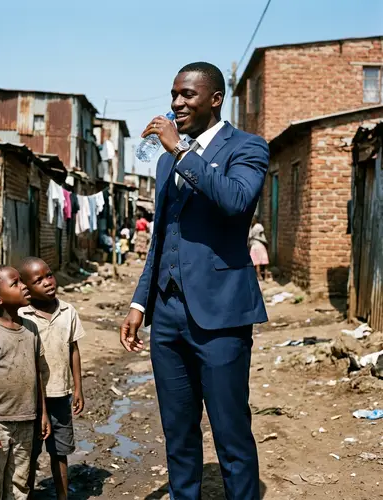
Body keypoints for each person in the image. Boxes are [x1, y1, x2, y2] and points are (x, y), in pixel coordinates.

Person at [120, 62, 269, 500]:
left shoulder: (247, 146)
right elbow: (162, 238)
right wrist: (139, 303)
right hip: (167, 317)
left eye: (187, 95)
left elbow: (236, 201)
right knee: (178, 433)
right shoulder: (167, 163)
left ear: (215, 99)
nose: (176, 103)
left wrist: (184, 154)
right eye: (174, 94)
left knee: (230, 432)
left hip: (221, 314)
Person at [0, 265, 51, 500]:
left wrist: (43, 413)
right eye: (15, 283)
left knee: (19, 484)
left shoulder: (31, 329)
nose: (24, 286)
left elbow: (37, 374)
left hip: (26, 420)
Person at [19, 257, 85, 500]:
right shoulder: (22, 314)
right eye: (38, 280)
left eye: (48, 275)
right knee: (29, 451)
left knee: (60, 450)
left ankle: (62, 495)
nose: (47, 282)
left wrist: (78, 388)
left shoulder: (68, 311)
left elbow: (74, 350)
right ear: (25, 287)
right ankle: (26, 494)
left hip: (60, 393)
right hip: (31, 398)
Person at [248, 216, 270, 281]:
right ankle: (266, 277)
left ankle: (259, 276)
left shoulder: (251, 228)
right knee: (265, 263)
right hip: (260, 245)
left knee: (257, 263)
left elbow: (249, 237)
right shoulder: (259, 226)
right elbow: (262, 235)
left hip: (254, 247)